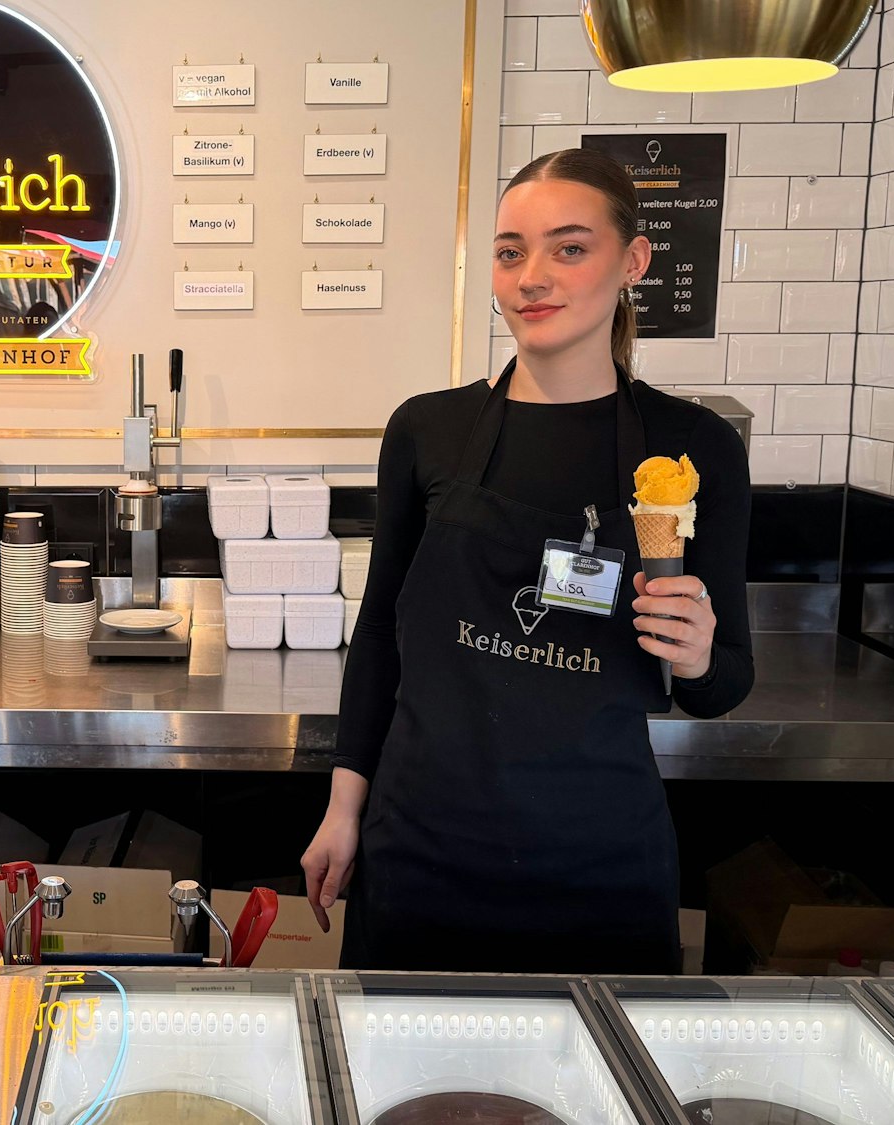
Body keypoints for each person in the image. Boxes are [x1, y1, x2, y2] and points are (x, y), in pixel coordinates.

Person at [300, 147, 754, 973]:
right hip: (422, 857)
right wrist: (342, 807)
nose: (532, 276)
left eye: (569, 248)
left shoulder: (695, 450)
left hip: (600, 870)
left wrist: (695, 654)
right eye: (511, 252)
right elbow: (378, 640)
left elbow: (724, 686)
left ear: (634, 262)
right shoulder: (426, 430)